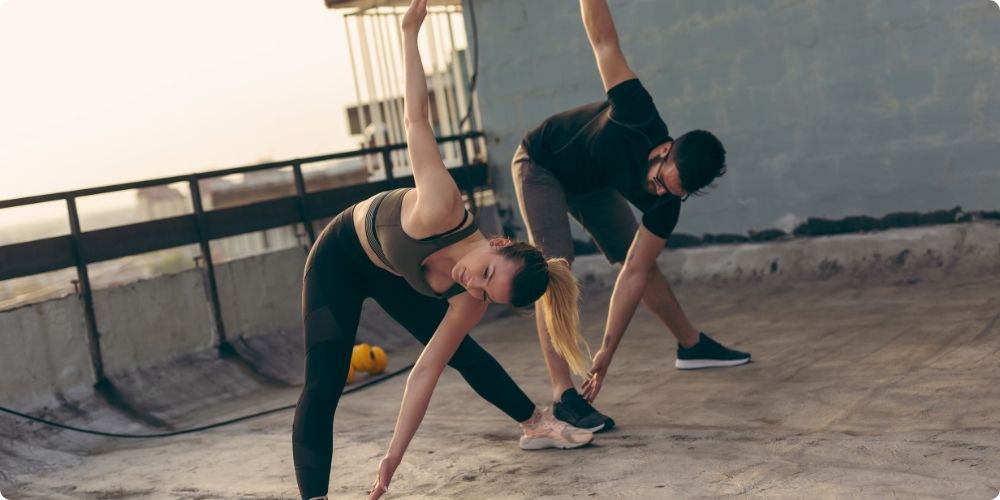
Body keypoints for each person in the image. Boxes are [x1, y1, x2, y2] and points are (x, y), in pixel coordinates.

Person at [292, 2, 594, 499]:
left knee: (462, 352)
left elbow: (424, 372)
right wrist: (410, 34)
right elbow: (416, 119)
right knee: (323, 385)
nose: (470, 283)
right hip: (340, 259)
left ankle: (535, 423)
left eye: (485, 292)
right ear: (497, 242)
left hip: (391, 270)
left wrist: (392, 457)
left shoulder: (470, 295)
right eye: (484, 273)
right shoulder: (440, 206)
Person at [511, 0, 751, 433]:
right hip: (542, 163)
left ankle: (691, 346)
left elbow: (635, 273)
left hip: (593, 184)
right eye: (659, 181)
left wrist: (605, 352)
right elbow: (603, 39)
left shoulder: (666, 203)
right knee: (552, 271)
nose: (657, 192)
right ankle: (563, 394)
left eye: (669, 192)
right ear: (663, 149)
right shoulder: (636, 111)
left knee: (642, 260)